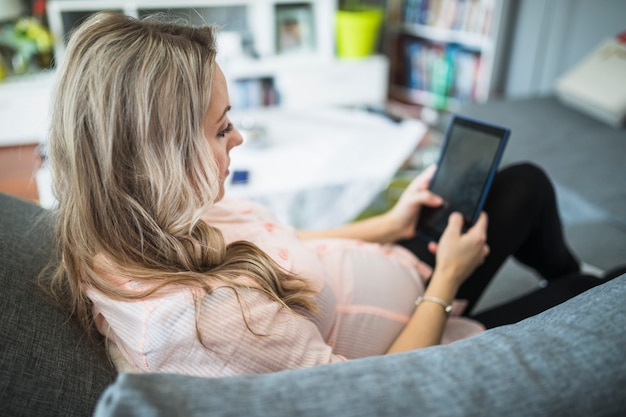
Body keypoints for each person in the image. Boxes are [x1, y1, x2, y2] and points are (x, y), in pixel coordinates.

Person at [48, 12, 618, 377]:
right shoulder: (207, 321)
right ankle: (567, 280)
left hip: (391, 268)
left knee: (524, 184)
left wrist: (389, 225)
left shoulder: (141, 216)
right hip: (423, 330)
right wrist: (445, 277)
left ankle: (557, 271)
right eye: (222, 129)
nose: (239, 137)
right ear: (159, 158)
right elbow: (372, 392)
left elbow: (279, 238)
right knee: (594, 293)